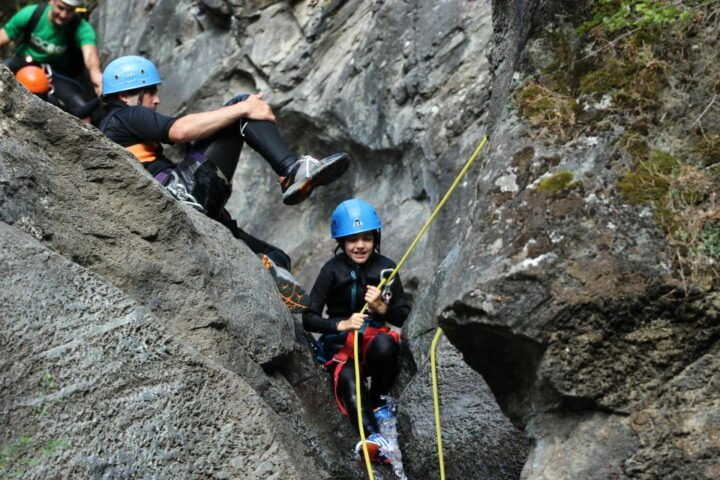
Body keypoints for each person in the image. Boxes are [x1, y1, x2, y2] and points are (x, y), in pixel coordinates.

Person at [99, 55, 350, 312]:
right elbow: (180, 131)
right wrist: (243, 109)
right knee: (241, 105)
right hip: (180, 198)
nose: (157, 99)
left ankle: (266, 298)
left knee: (277, 258)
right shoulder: (124, 116)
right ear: (126, 95)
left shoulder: (112, 131)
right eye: (150, 91)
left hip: (182, 205)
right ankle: (291, 170)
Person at [302, 198, 411, 463]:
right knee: (349, 380)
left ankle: (379, 401)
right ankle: (375, 439)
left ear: (375, 237)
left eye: (366, 238)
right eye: (351, 240)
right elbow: (309, 318)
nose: (360, 245)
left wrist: (382, 309)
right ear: (341, 242)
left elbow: (404, 314)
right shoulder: (332, 270)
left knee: (387, 346)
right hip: (341, 344)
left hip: (373, 340)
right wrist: (341, 324)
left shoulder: (386, 267)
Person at [1, 0, 102, 119]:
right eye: (60, 8)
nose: (63, 15)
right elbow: (4, 35)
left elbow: (90, 56)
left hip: (55, 73)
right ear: (52, 2)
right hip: (23, 63)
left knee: (82, 108)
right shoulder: (32, 13)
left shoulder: (81, 27)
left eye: (69, 11)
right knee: (5, 68)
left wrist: (98, 80)